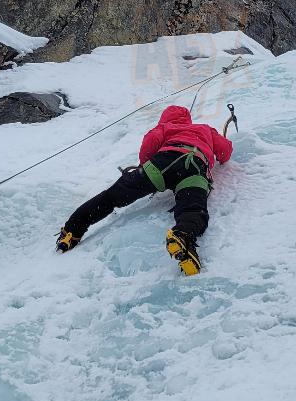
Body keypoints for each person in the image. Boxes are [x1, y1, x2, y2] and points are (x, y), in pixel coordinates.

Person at [56, 104, 233, 274]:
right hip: (194, 164)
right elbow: (225, 151)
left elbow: (148, 148)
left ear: (163, 119)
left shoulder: (163, 128)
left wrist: (144, 175)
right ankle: (184, 236)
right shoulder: (204, 129)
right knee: (193, 208)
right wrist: (220, 157)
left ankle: (72, 230)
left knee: (111, 197)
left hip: (161, 164)